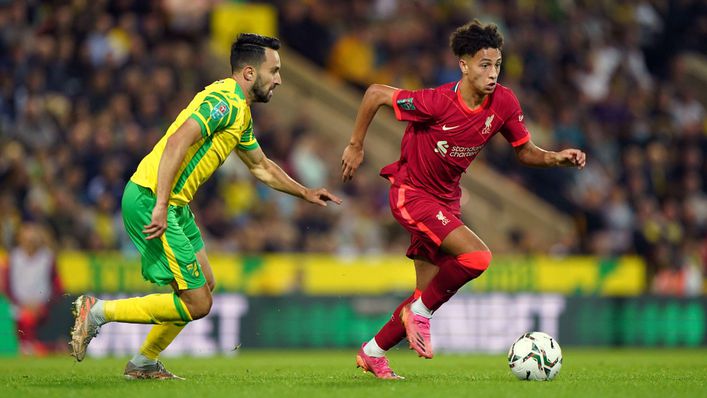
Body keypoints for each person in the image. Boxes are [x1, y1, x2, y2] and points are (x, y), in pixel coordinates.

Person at [69, 33, 342, 379]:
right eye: (273, 71)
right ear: (248, 73)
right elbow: (178, 142)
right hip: (153, 198)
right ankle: (97, 311)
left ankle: (143, 363)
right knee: (198, 303)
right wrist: (161, 204)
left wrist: (304, 192)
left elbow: (260, 166)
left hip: (173, 204)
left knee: (205, 284)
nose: (279, 79)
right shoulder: (223, 101)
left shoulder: (239, 113)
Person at [341, 20, 586, 379]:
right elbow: (376, 92)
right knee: (476, 257)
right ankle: (418, 315)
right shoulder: (436, 102)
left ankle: (373, 352)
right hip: (412, 195)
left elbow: (524, 151)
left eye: (497, 64)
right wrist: (356, 144)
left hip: (445, 201)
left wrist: (555, 157)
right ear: (464, 65)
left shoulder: (503, 101)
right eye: (484, 65)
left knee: (423, 296)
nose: (493, 73)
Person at [2, 222, 62, 355]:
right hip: (18, 307)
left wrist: (44, 305)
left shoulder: (47, 258)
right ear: (20, 239)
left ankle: (36, 348)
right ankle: (29, 348)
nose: (30, 243)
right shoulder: (13, 258)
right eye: (27, 240)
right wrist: (20, 304)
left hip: (42, 308)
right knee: (23, 319)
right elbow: (6, 286)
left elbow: (58, 287)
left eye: (33, 240)